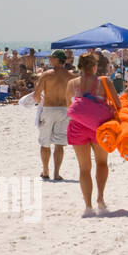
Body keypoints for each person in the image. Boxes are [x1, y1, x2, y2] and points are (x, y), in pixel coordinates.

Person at [65, 53, 118, 215]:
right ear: (95, 67)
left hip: (78, 127)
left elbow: (70, 106)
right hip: (99, 127)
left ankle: (88, 206)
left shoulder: (72, 84)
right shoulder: (104, 82)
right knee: (102, 163)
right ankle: (100, 199)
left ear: (79, 67)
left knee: (84, 168)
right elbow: (117, 104)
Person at [32, 50, 72, 181]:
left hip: (49, 109)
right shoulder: (70, 76)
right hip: (64, 110)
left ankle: (45, 170)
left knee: (45, 143)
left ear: (57, 60)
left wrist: (40, 102)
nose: (50, 60)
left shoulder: (46, 75)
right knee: (60, 144)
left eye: (52, 58)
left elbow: (36, 95)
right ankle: (56, 173)